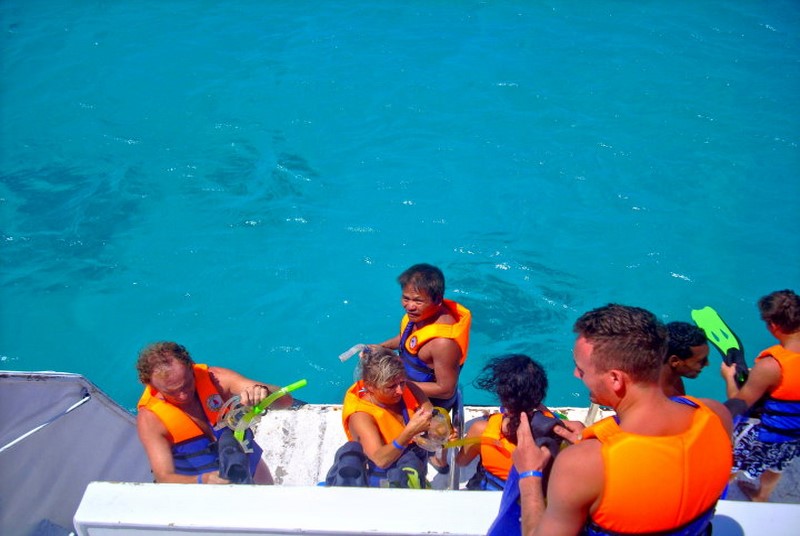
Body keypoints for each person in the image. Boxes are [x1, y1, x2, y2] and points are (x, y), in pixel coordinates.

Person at [508, 304, 733, 536]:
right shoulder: (716, 415)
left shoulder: (581, 465)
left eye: (581, 369)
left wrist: (529, 474)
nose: (576, 374)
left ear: (615, 379)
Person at [135, 341, 292, 484]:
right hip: (202, 488)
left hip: (250, 466)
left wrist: (264, 392)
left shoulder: (218, 380)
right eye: (171, 391)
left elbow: (285, 401)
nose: (183, 396)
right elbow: (164, 477)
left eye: (187, 384)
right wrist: (203, 480)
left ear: (191, 366)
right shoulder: (150, 419)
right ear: (150, 384)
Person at [722, 289, 800, 502]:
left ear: (773, 325)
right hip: (794, 435)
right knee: (777, 466)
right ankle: (762, 496)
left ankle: (719, 492)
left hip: (764, 434)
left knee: (732, 463)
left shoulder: (771, 366)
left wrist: (729, 377)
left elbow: (740, 404)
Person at [456, 354, 557, 491]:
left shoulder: (481, 430)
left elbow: (461, 462)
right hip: (528, 496)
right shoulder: (555, 429)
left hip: (487, 491)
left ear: (502, 396)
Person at [379, 263, 471, 411]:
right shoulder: (420, 315)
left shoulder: (443, 344)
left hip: (429, 404)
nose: (410, 306)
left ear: (438, 300)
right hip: (405, 386)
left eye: (418, 301)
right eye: (406, 298)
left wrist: (397, 385)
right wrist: (381, 347)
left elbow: (445, 390)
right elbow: (407, 340)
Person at [341, 345, 434, 487]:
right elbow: (380, 460)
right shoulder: (360, 416)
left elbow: (432, 416)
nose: (400, 391)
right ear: (370, 386)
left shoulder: (410, 389)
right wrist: (409, 433)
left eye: (402, 382)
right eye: (391, 387)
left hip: (416, 466)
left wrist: (442, 430)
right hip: (385, 479)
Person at [660, 321, 710, 397]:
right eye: (701, 361)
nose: (707, 364)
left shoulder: (673, 379)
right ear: (674, 361)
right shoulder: (659, 395)